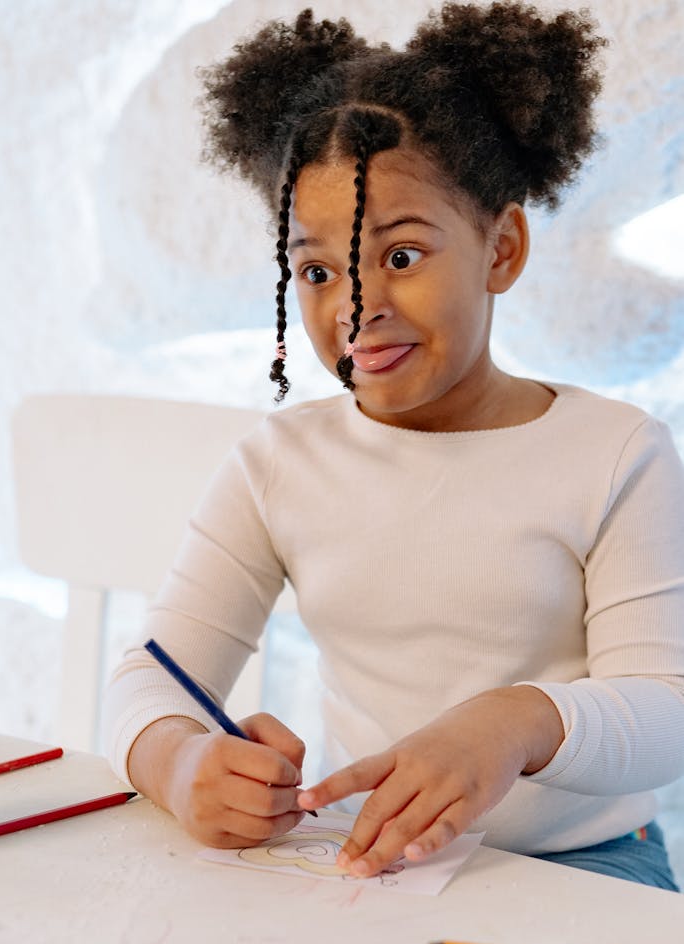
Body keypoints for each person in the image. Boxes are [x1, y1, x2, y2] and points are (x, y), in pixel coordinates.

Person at [103, 3, 684, 889]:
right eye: (318, 270)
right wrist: (179, 764)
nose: (357, 304)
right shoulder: (277, 467)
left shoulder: (616, 453)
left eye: (402, 256)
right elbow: (150, 680)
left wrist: (513, 723)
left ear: (503, 247)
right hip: (373, 869)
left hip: (590, 868)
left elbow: (666, 711)